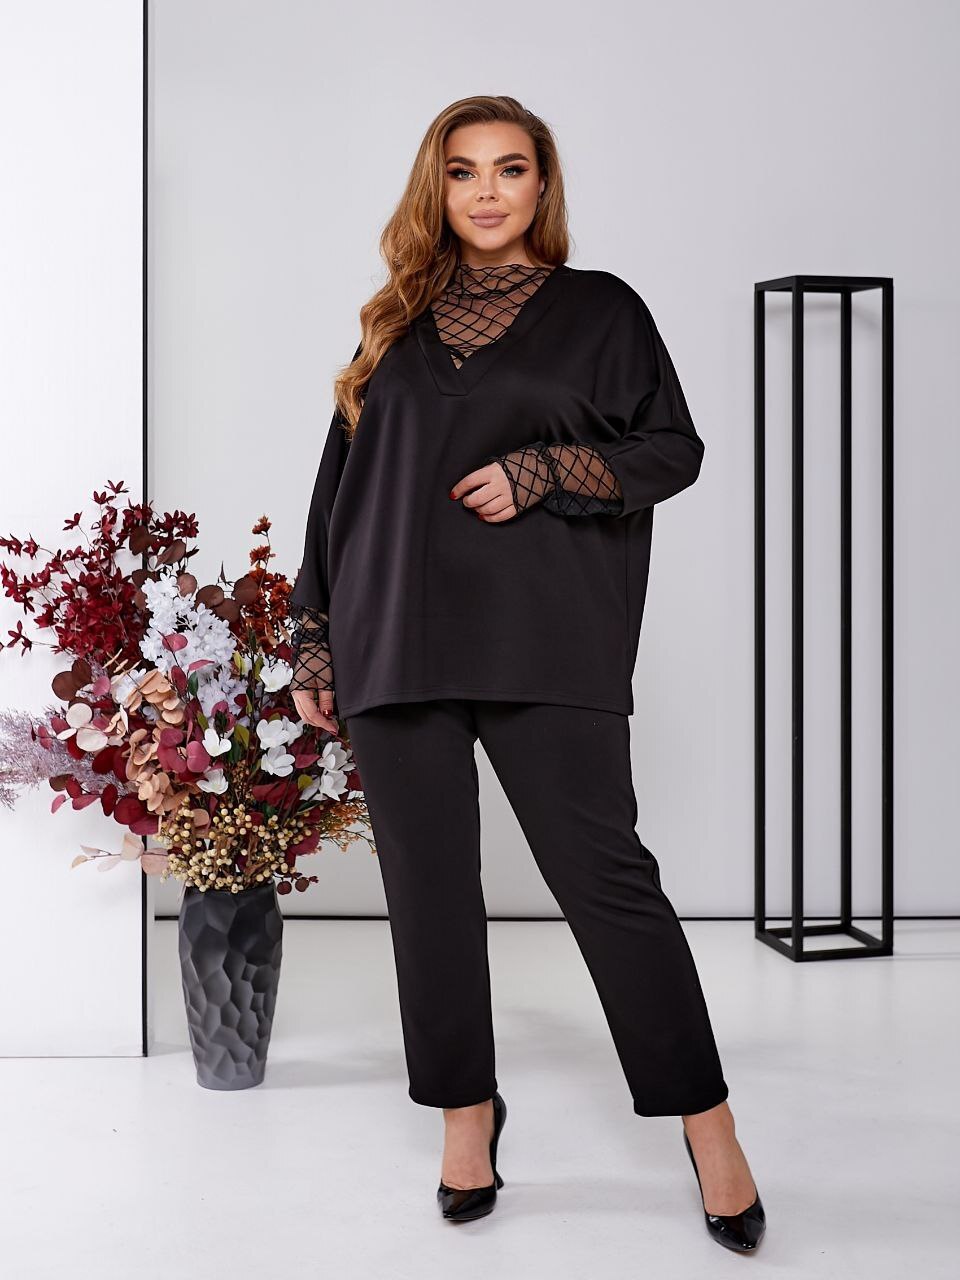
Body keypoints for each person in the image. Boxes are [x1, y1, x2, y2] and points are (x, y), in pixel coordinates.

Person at [288, 94, 766, 1251]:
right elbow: (337, 490)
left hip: (545, 635)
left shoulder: (603, 311)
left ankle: (709, 1126)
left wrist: (545, 470)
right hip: (394, 632)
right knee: (430, 895)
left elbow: (672, 448)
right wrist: (313, 632)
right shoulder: (393, 323)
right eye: (464, 171)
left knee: (608, 882)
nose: (488, 191)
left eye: (511, 168)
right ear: (437, 188)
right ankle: (468, 1115)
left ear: (542, 186)